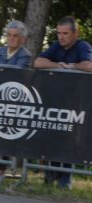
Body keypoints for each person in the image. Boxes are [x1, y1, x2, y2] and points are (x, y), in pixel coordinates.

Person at [33, 16, 92, 189]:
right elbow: (37, 62)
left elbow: (89, 66)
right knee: (52, 138)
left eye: (65, 33)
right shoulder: (56, 46)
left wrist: (70, 67)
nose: (61, 37)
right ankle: (49, 179)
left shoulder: (83, 46)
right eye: (58, 33)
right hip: (56, 102)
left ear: (75, 33)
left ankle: (65, 182)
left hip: (77, 105)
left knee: (69, 141)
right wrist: (60, 65)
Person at [0, 20, 31, 183]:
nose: (12, 38)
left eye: (16, 36)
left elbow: (17, 74)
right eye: (9, 35)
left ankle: (1, 172)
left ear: (23, 39)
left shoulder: (25, 55)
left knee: (5, 137)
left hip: (12, 103)